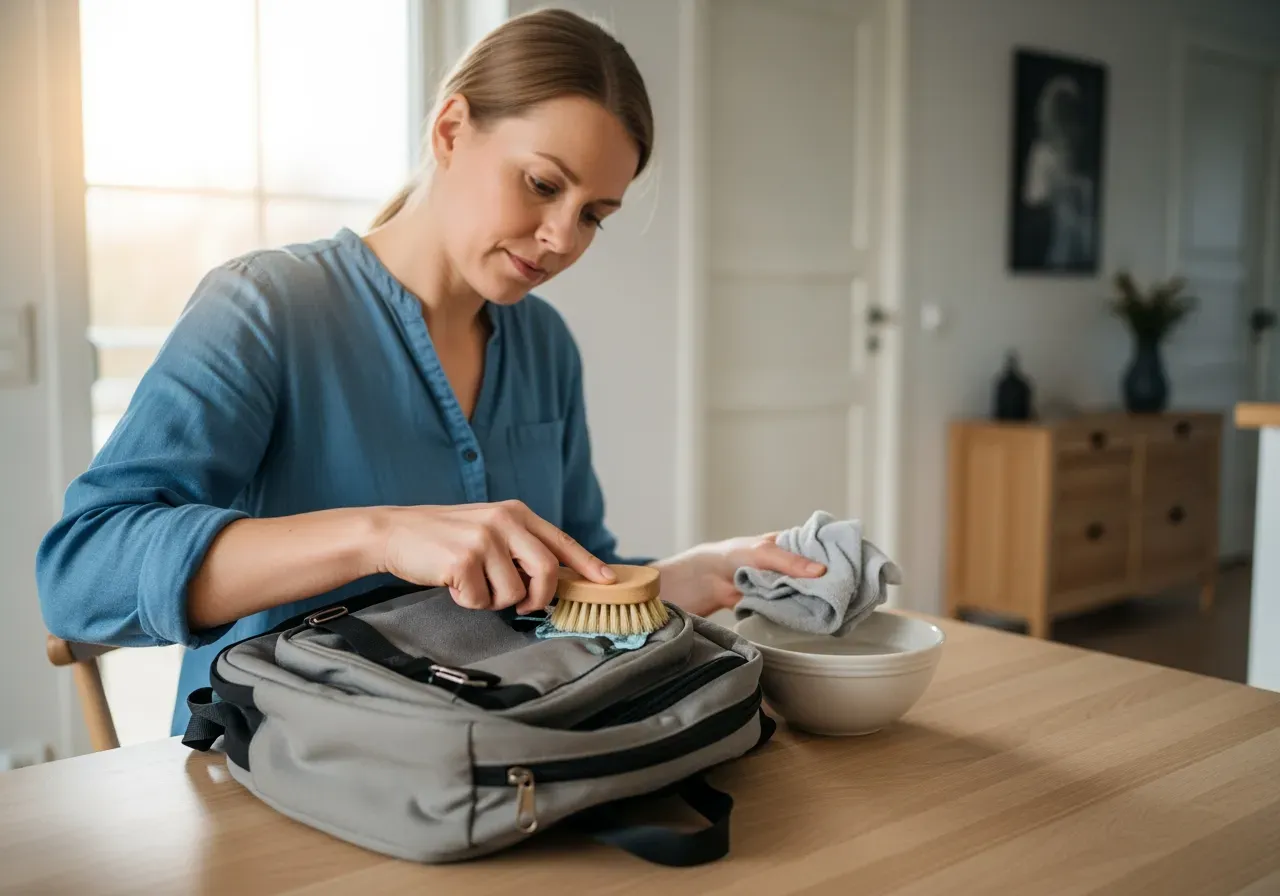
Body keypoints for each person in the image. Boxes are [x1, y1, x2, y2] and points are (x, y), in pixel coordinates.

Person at [35, 8, 824, 738]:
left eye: (593, 215)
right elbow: (80, 577)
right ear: (451, 130)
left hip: (491, 769)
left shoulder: (546, 346)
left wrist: (687, 574)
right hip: (276, 772)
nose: (562, 238)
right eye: (543, 184)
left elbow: (569, 580)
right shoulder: (264, 308)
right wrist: (382, 535)